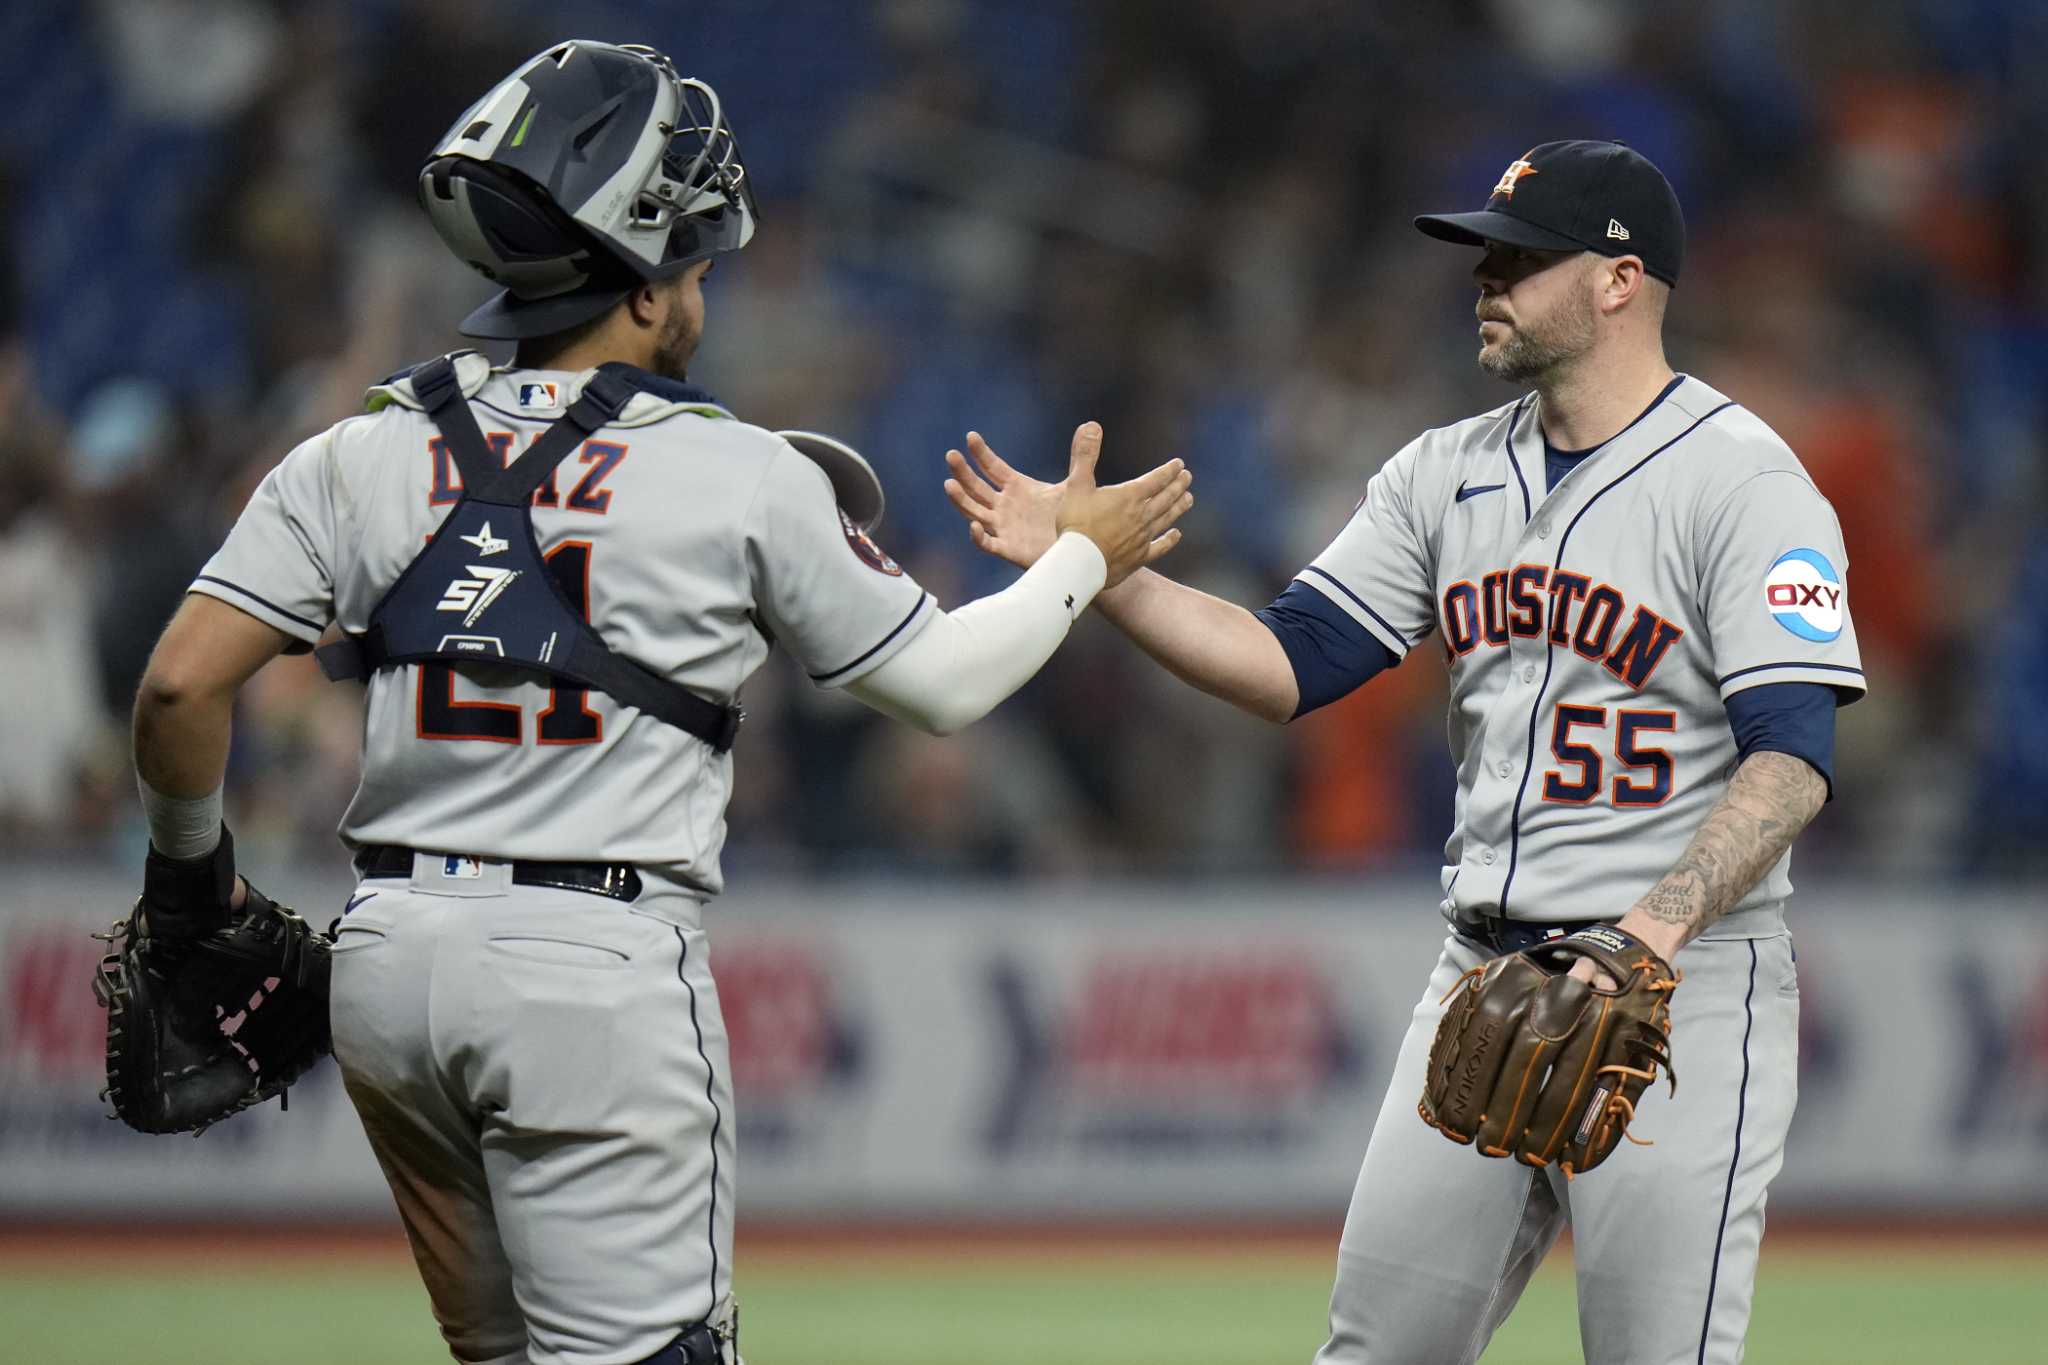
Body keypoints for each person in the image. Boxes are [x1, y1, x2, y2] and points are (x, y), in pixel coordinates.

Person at [127, 39, 1189, 1365]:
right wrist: (1088, 551)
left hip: (388, 962)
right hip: (593, 974)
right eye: (691, 256)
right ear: (638, 280)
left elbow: (177, 683)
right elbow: (947, 680)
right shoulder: (734, 473)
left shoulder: (361, 448)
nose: (703, 283)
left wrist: (188, 891)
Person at [945, 139, 1863, 1364]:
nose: (1485, 277)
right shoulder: (1442, 472)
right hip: (1480, 974)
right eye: (1483, 252)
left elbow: (1791, 758)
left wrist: (1645, 934)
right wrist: (1092, 573)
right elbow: (1288, 662)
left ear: (1616, 280)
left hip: (1678, 990)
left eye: (1520, 258)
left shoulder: (1744, 483)